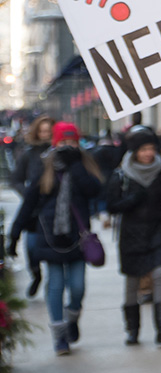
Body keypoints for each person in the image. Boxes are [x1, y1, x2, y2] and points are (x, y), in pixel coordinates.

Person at [7, 122, 104, 355]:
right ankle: (60, 337)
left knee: (78, 287)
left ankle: (72, 318)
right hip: (50, 237)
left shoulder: (84, 164)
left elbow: (96, 191)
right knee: (55, 285)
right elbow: (29, 201)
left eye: (72, 142)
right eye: (63, 142)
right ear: (55, 142)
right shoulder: (44, 166)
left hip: (77, 237)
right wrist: (14, 235)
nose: (68, 146)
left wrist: (77, 166)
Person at [105, 126, 161, 345]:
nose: (148, 153)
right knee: (132, 281)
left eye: (151, 148)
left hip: (157, 231)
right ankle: (133, 329)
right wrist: (131, 200)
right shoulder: (121, 174)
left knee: (160, 274)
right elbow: (111, 206)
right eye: (143, 149)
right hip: (131, 234)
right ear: (134, 151)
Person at [11, 115, 55, 295]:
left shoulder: (59, 152)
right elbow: (16, 179)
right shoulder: (29, 154)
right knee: (31, 248)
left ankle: (53, 284)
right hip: (33, 210)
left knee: (52, 250)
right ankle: (36, 274)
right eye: (42, 131)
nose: (45, 135)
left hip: (52, 208)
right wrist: (27, 194)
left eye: (49, 131)